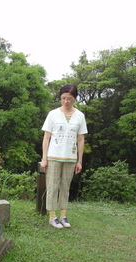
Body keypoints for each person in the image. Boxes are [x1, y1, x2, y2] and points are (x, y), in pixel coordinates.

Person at [41, 84, 87, 229]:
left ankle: (63, 215)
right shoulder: (53, 114)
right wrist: (44, 158)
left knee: (65, 187)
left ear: (74, 99)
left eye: (69, 98)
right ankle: (52, 216)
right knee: (52, 186)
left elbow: (80, 139)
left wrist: (80, 160)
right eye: (63, 98)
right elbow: (46, 138)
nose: (66, 101)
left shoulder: (80, 116)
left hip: (70, 157)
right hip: (53, 156)